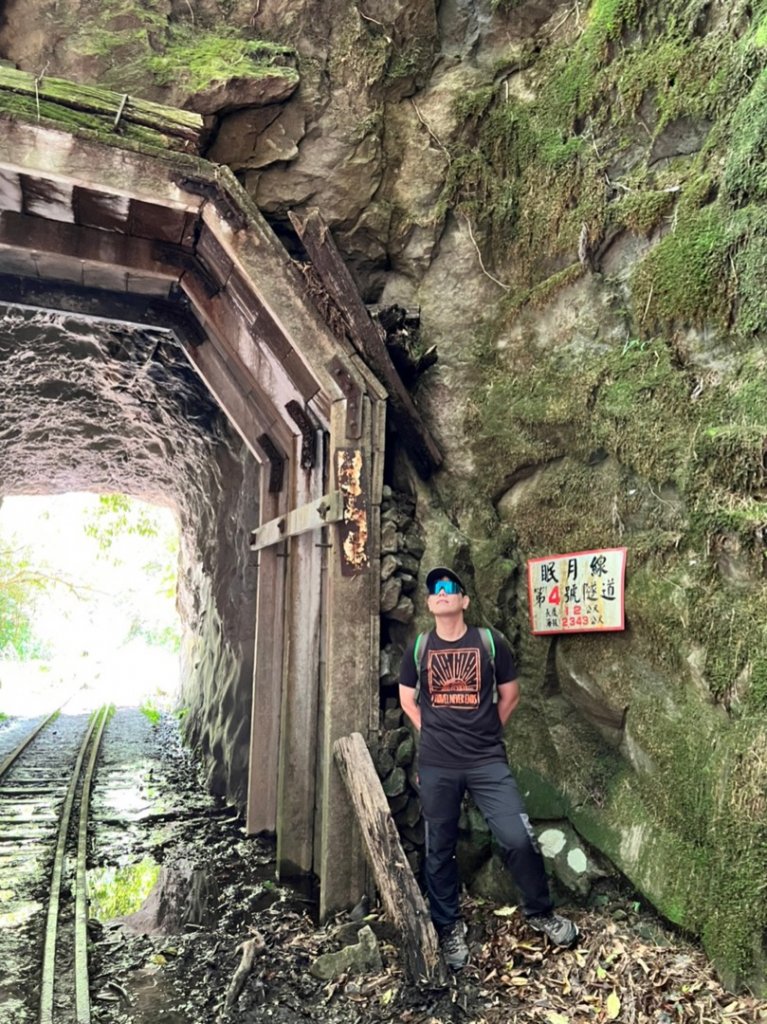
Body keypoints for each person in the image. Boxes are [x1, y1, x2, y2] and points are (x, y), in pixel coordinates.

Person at [399, 566, 578, 970]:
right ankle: (448, 928)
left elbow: (511, 693)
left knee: (517, 837)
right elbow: (407, 697)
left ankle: (540, 912)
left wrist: (486, 731)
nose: (441, 593)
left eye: (450, 587)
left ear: (463, 600)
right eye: (435, 590)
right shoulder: (420, 646)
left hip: (486, 761)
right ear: (430, 604)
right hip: (438, 763)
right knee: (439, 847)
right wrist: (434, 732)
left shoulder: (489, 642)